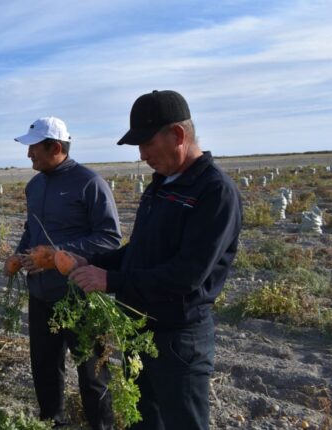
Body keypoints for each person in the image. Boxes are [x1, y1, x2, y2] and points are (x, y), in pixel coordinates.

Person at [70, 90, 242, 429]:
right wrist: (91, 260)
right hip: (140, 327)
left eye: (147, 143)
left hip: (178, 338)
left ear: (178, 135)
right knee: (143, 420)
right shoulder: (161, 185)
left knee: (183, 423)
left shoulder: (214, 191)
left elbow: (186, 275)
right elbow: (139, 252)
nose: (142, 154)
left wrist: (111, 281)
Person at [13, 117, 122, 429]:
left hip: (79, 296)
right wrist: (21, 255)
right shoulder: (34, 186)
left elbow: (109, 237)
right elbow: (31, 230)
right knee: (45, 368)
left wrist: (57, 254)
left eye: (33, 147)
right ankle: (52, 424)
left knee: (92, 371)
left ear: (55, 147)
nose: (28, 154)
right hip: (41, 293)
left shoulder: (89, 183)